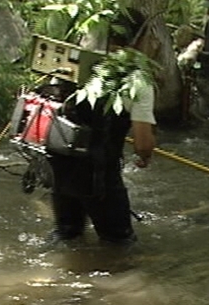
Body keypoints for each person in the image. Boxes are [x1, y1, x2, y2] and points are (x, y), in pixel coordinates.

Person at [47, 8, 156, 245]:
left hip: (60, 170)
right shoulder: (136, 80)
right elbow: (143, 144)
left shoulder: (73, 64)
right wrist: (145, 155)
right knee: (120, 245)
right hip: (100, 177)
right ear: (140, 38)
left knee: (67, 237)